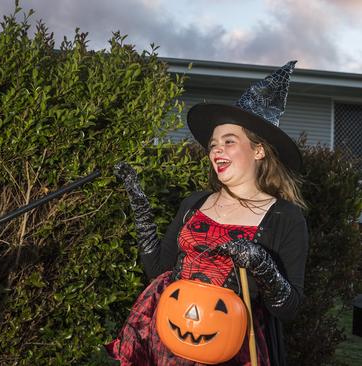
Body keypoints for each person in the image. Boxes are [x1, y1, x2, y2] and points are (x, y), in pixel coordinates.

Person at [106, 61, 308, 366]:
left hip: (231, 350)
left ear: (258, 151)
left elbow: (290, 308)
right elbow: (158, 273)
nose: (216, 150)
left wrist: (262, 266)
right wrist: (141, 210)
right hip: (169, 345)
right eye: (213, 145)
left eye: (229, 142)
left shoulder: (285, 217)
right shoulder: (195, 203)